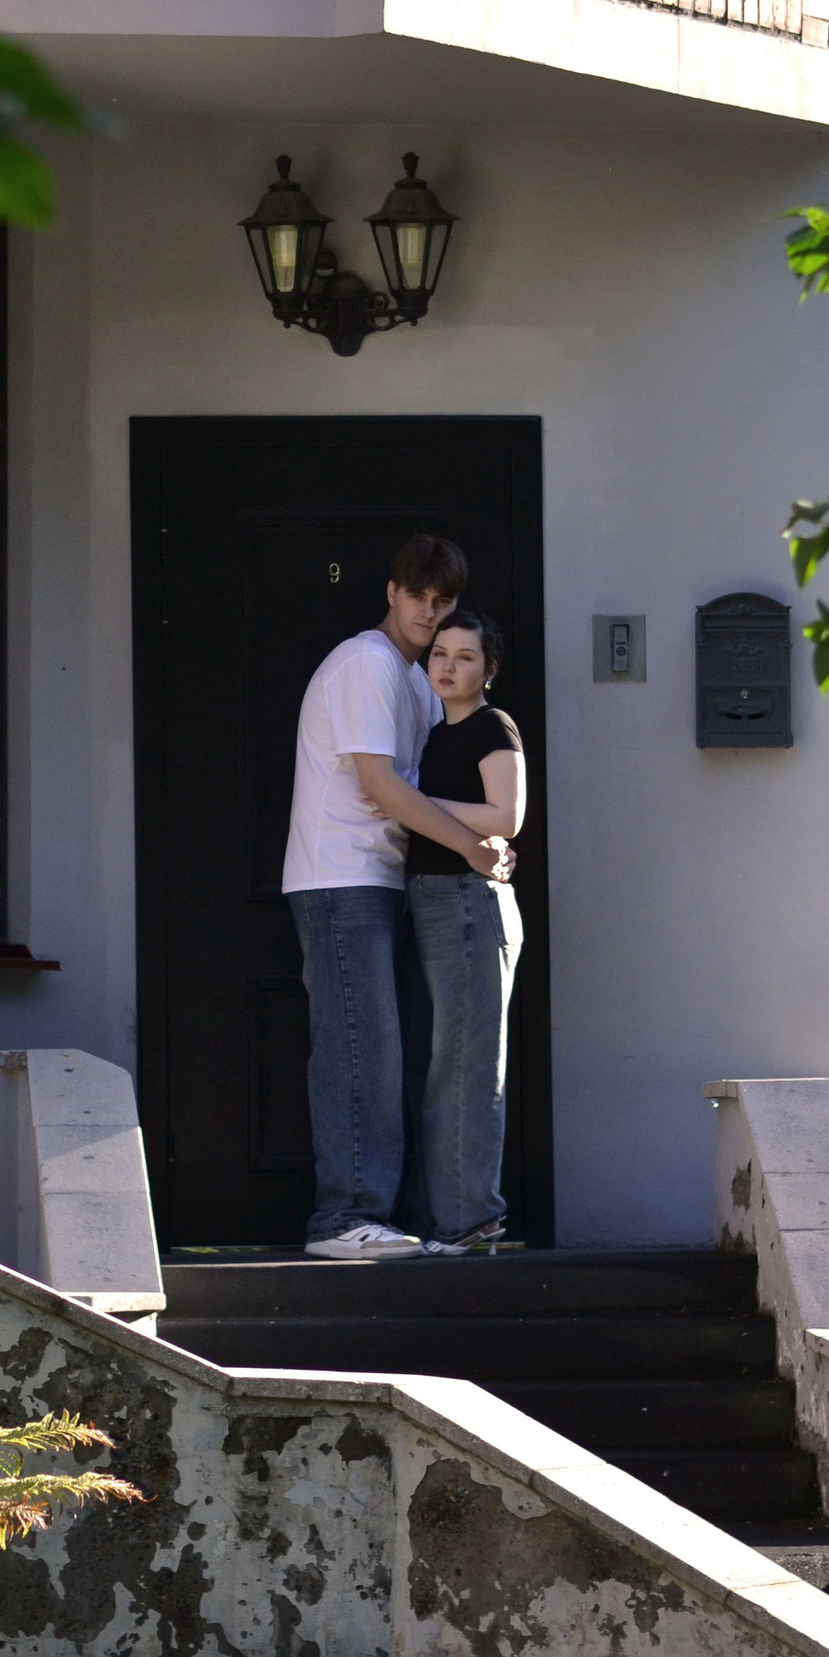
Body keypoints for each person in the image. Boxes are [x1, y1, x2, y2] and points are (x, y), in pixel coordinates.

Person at [282, 534, 509, 1260]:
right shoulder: (366, 664)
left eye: (443, 601)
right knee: (360, 1048)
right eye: (417, 596)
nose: (428, 612)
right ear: (391, 592)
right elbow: (381, 787)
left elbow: (423, 792)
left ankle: (391, 1212)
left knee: (394, 1050)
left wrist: (486, 833)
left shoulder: (415, 679)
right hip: (338, 877)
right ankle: (343, 1220)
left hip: (386, 878)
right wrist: (473, 845)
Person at [401, 609, 524, 1255]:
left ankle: (471, 1221)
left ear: (488, 668)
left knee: (467, 1065)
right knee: (442, 1061)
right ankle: (453, 1218)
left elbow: (507, 816)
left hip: (470, 905)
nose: (448, 666)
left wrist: (413, 803)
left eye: (465, 656)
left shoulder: (491, 725)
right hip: (435, 905)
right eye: (440, 654)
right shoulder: (433, 733)